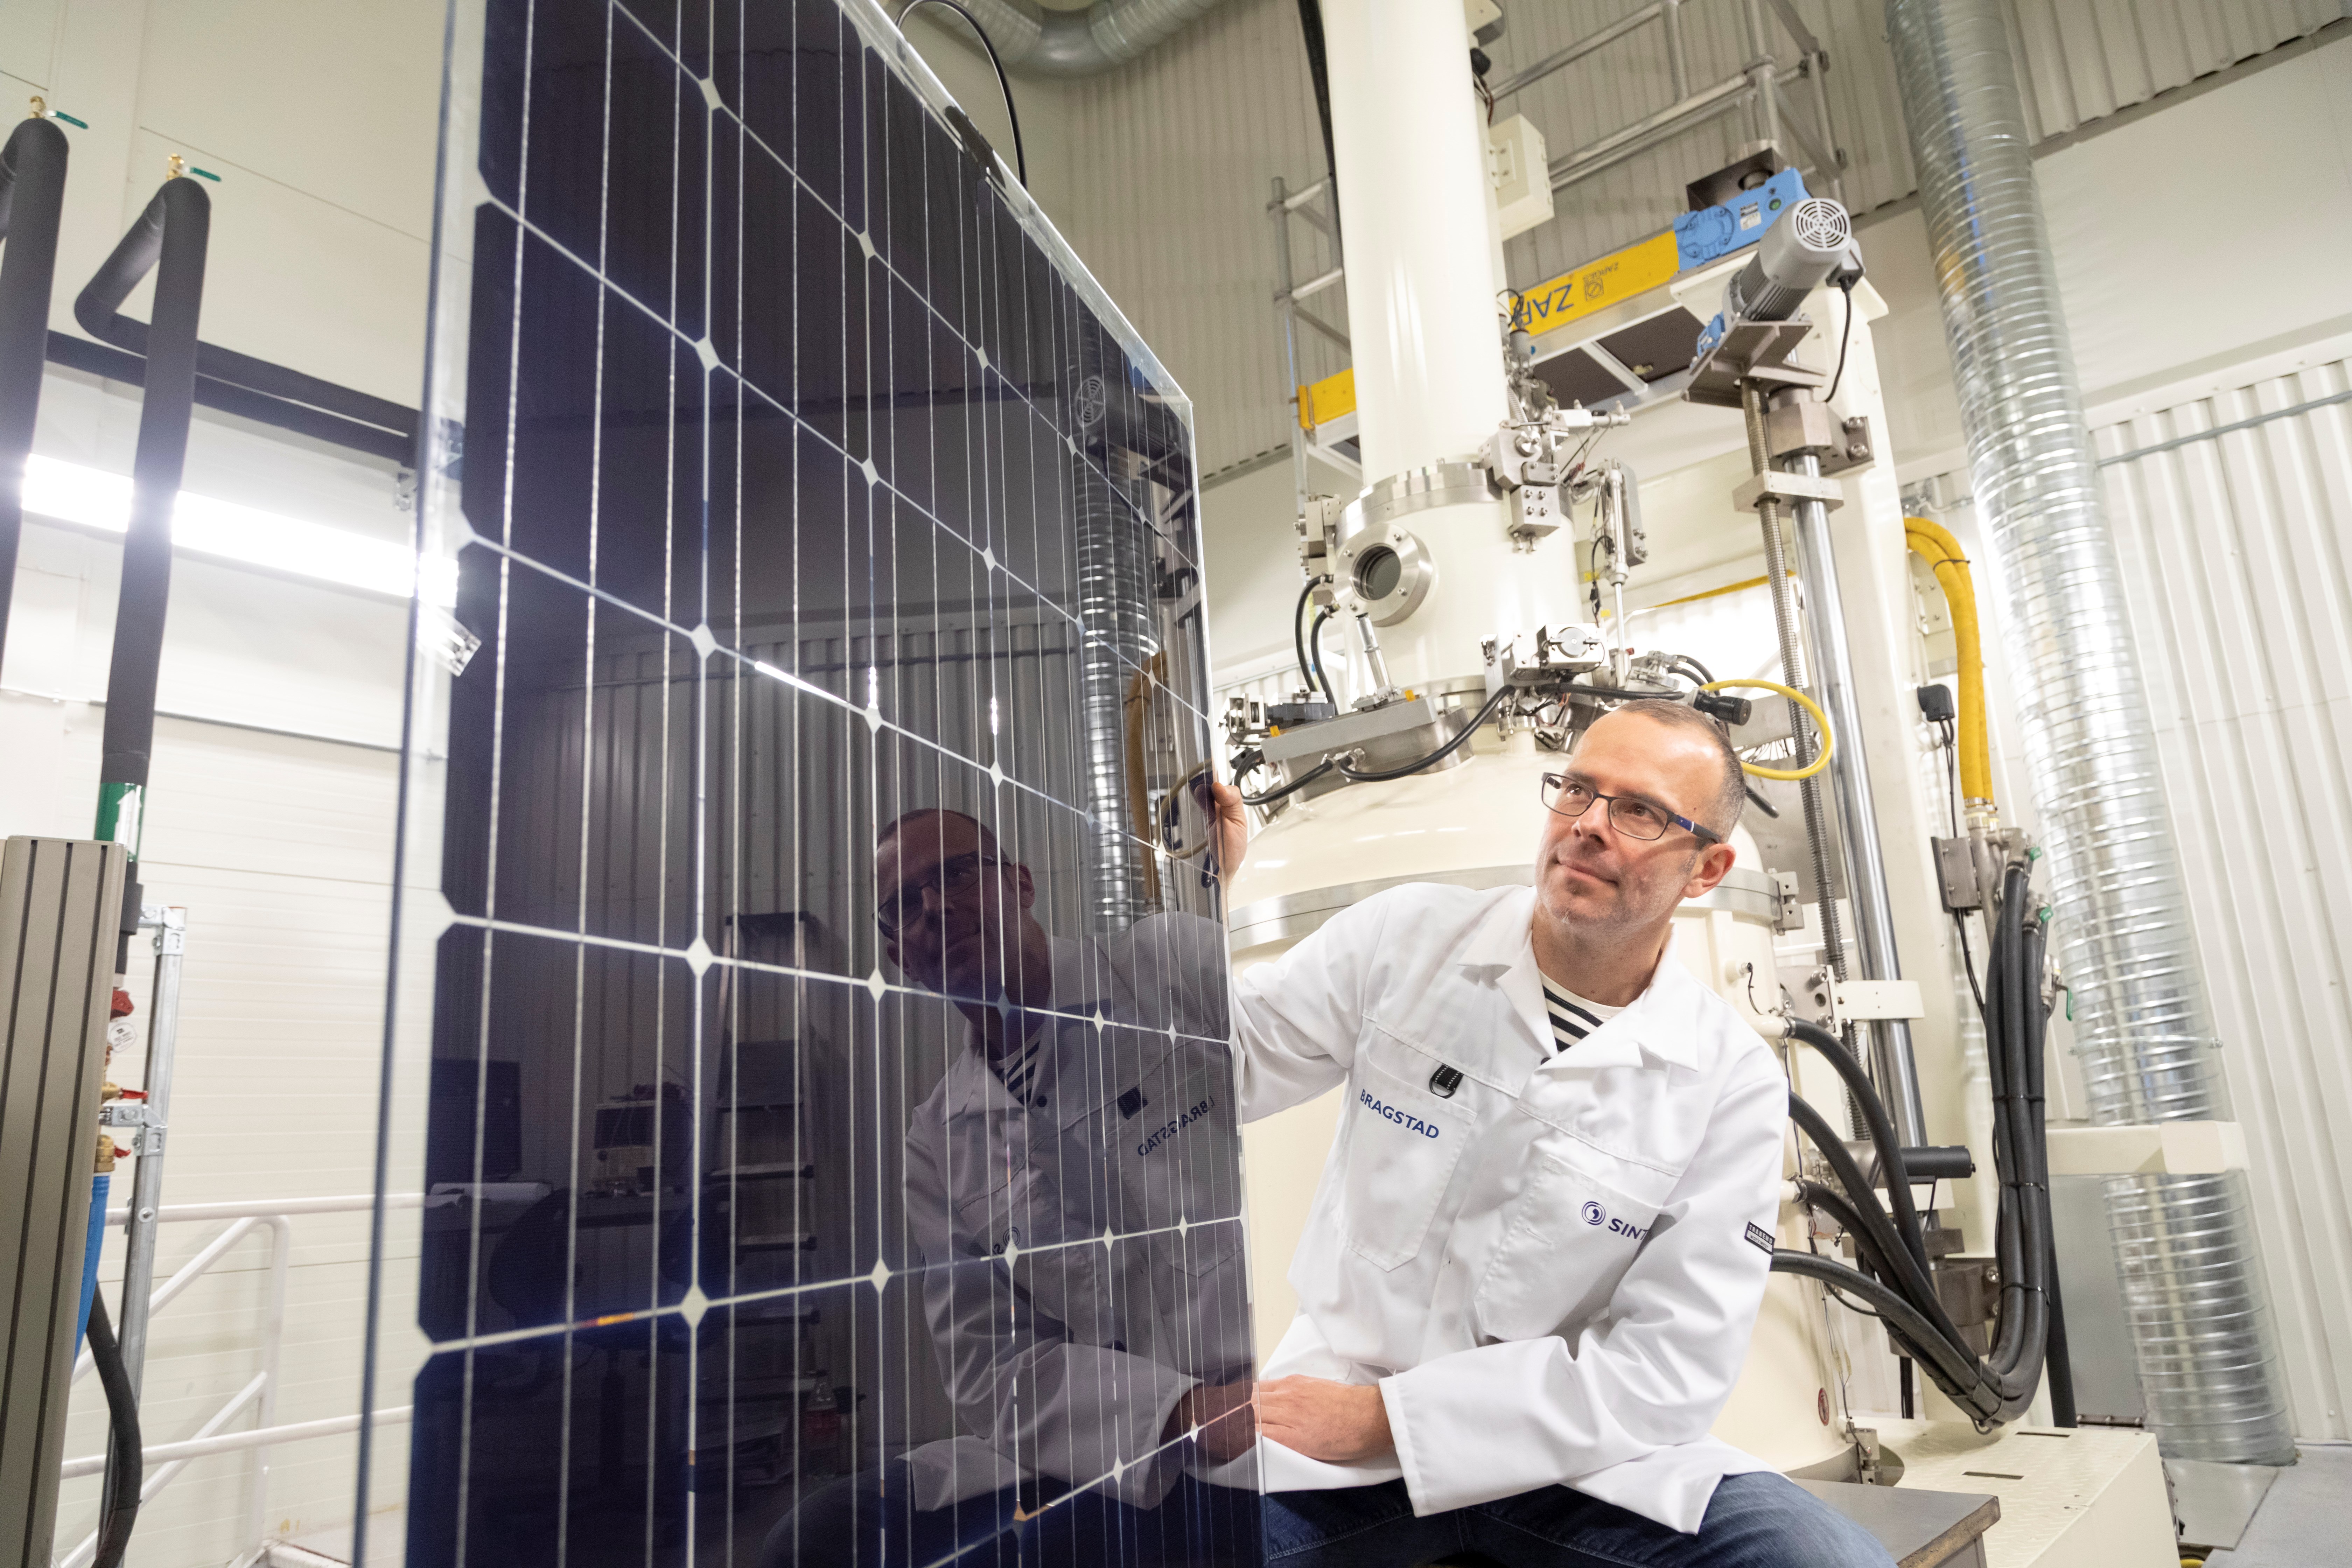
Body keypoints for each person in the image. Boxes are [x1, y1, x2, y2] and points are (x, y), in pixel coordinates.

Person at [1212, 699, 1894, 1568]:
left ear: (1708, 869)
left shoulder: (1729, 1081)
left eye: (1638, 810)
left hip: (1583, 1461)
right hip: (1342, 1441)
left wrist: (1393, 1420)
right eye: (1577, 790)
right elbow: (1209, 1072)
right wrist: (1195, 893)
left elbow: (1665, 1368)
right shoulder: (1406, 939)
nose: (1589, 826)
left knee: (1826, 1564)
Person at [764, 807, 1258, 1567]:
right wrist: (1182, 1414)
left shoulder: (1167, 969)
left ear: (1018, 883)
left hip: (1274, 1401)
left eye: (957, 872)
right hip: (1128, 1443)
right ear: (900, 955)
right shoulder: (938, 1142)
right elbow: (991, 1365)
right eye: (906, 904)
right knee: (819, 1538)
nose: (937, 907)